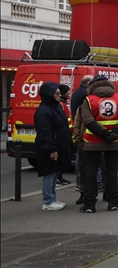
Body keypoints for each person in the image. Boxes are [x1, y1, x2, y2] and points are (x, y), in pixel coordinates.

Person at [79, 75, 118, 212]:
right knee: (111, 172)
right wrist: (113, 134)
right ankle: (114, 202)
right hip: (115, 141)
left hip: (92, 141)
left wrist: (103, 134)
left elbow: (88, 121)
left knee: (91, 172)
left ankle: (89, 205)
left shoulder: (89, 100)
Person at [34, 82, 73, 210]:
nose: (59, 95)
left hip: (58, 145)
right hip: (50, 148)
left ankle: (52, 198)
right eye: (56, 93)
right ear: (49, 94)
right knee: (49, 173)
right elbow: (45, 132)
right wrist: (52, 148)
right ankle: (48, 201)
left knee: (55, 172)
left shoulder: (55, 107)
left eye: (58, 93)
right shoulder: (44, 111)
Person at [70, 75, 95, 195]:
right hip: (86, 134)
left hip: (80, 131)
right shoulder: (85, 96)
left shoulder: (76, 92)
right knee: (86, 163)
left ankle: (80, 184)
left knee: (80, 161)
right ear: (89, 83)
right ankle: (85, 185)